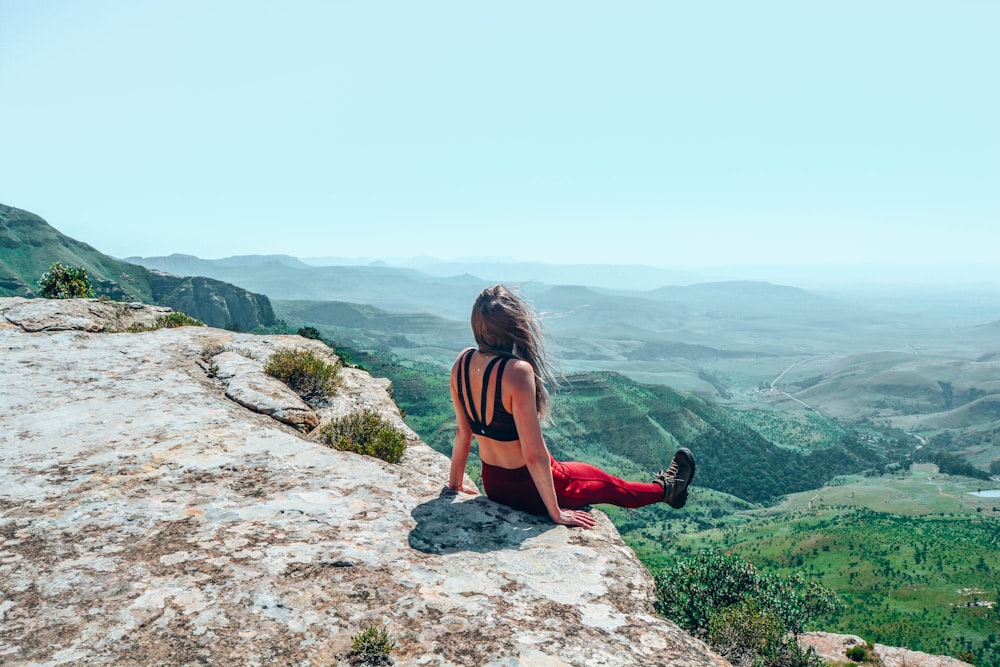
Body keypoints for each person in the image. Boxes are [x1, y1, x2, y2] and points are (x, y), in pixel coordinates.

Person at [447, 284, 696, 529]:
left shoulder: (462, 360)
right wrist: (555, 513)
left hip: (494, 484)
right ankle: (667, 490)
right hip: (531, 488)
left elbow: (463, 433)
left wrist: (455, 485)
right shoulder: (516, 372)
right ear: (514, 325)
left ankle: (666, 490)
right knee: (611, 485)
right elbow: (534, 456)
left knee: (586, 471)